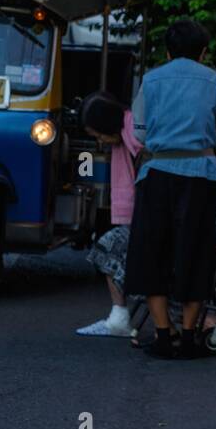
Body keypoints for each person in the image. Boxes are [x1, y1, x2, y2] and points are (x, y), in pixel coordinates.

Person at [125, 20, 216, 360]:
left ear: (168, 51)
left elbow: (141, 133)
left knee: (152, 252)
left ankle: (162, 335)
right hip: (200, 177)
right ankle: (189, 336)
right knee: (196, 250)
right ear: (203, 52)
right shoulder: (213, 80)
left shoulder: (152, 80)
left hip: (157, 173)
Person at [76, 91, 142, 337]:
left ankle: (119, 318)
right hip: (145, 214)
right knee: (110, 246)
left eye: (98, 134)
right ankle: (119, 317)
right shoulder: (129, 131)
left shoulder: (134, 134)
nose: (101, 141)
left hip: (148, 214)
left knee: (108, 246)